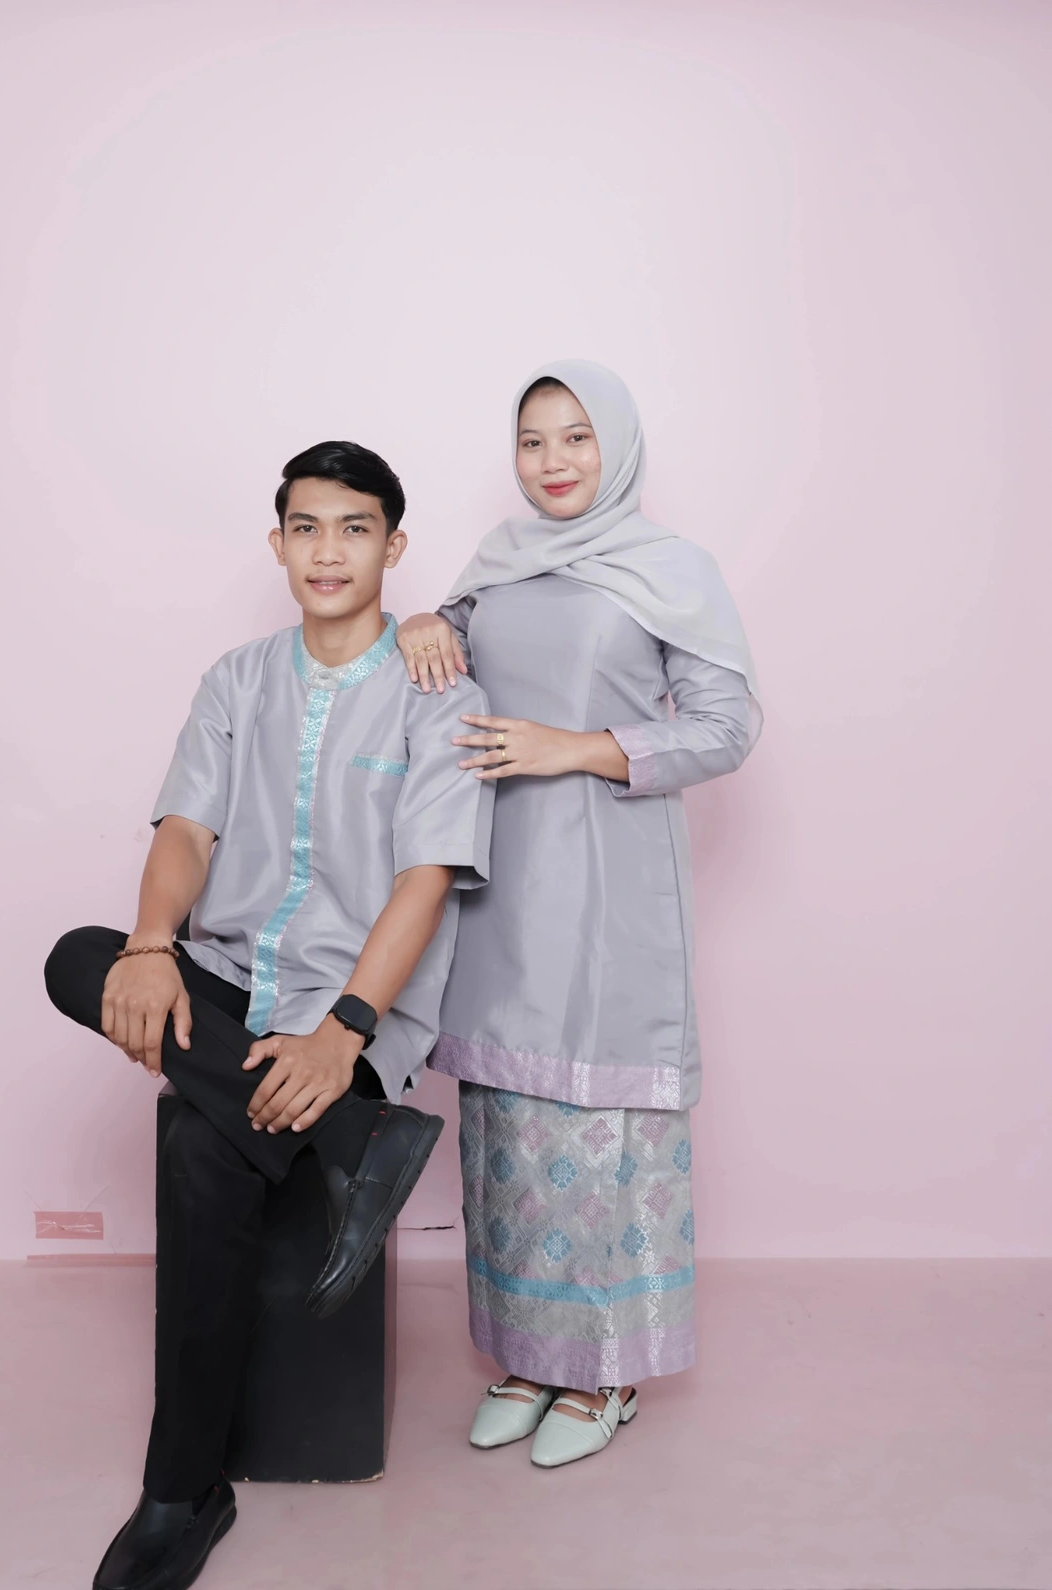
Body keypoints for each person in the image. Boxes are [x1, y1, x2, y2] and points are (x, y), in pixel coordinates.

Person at [45, 439, 492, 1590]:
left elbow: (424, 882)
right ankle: (355, 1143)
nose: (327, 550)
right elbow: (184, 833)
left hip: (353, 1013)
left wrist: (343, 1030)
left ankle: (179, 1492)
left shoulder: (440, 693)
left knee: (205, 1147)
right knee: (76, 957)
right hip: (231, 986)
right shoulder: (236, 680)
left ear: (393, 546)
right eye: (306, 527)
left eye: (354, 528)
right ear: (278, 544)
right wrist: (152, 949)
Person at [396, 359, 760, 1469]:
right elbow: (445, 655)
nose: (551, 462)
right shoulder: (498, 568)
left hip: (608, 880)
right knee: (507, 1125)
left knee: (599, 1129)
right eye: (532, 440)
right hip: (501, 877)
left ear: (617, 445)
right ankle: (524, 1356)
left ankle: (605, 1372)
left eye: (575, 437)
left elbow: (726, 725)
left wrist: (580, 747)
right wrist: (422, 619)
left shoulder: (669, 569)